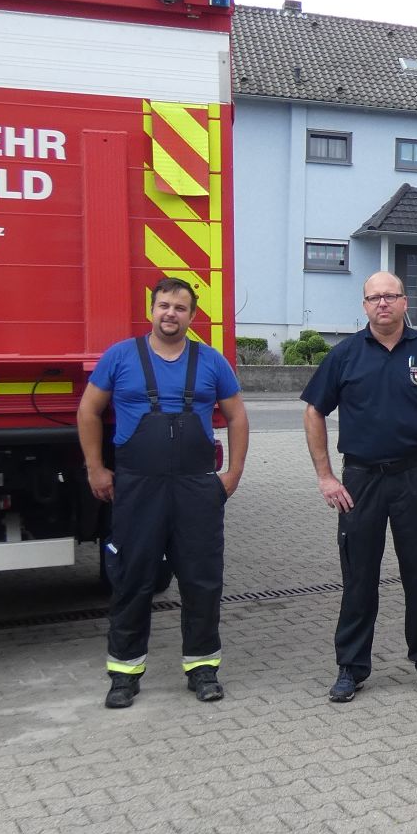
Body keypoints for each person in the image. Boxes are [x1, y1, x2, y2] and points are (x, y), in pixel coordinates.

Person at [77, 277, 249, 709]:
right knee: (133, 577)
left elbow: (238, 417)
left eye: (180, 308)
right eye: (164, 306)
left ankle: (202, 668)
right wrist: (96, 468)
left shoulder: (211, 361)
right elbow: (89, 411)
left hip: (196, 486)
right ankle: (124, 673)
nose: (170, 314)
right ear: (151, 310)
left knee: (201, 578)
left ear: (192, 317)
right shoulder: (120, 357)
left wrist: (233, 473)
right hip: (138, 484)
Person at [304, 272, 417, 701]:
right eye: (374, 297)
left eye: (391, 296)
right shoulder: (344, 355)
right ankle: (351, 668)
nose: (383, 303)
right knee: (358, 577)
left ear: (404, 302)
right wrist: (325, 477)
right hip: (359, 481)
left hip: (416, 478)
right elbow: (313, 411)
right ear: (364, 306)